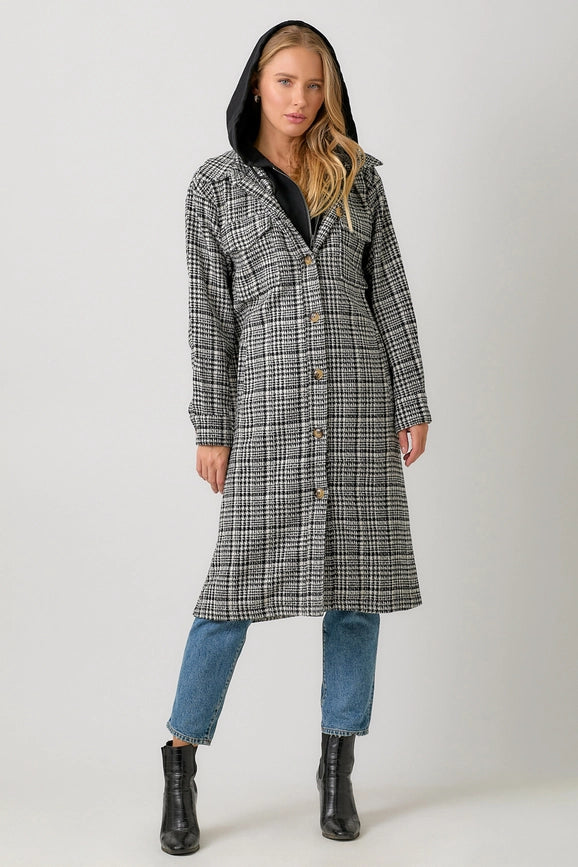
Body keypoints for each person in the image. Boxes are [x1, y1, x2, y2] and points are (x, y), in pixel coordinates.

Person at [159, 19, 432, 856]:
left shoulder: (357, 177)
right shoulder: (215, 187)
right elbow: (209, 316)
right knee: (230, 594)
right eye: (286, 82)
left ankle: (337, 768)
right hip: (268, 411)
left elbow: (389, 290)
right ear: (257, 84)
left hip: (358, 403)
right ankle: (180, 761)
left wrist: (412, 398)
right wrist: (213, 426)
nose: (300, 99)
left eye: (315, 86)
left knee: (357, 592)